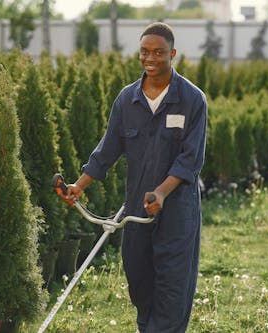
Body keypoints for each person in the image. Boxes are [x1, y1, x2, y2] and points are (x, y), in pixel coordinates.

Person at [58, 22, 207, 332]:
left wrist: (163, 193)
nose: (150, 58)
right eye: (144, 52)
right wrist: (79, 186)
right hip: (137, 209)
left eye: (158, 52)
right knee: (139, 282)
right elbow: (107, 149)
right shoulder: (128, 100)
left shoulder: (192, 100)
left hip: (176, 210)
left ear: (172, 54)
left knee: (172, 288)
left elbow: (189, 159)